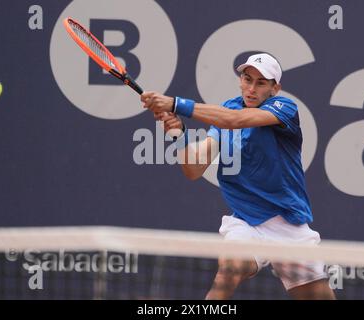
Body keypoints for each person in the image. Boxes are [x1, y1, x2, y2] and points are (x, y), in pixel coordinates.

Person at [141, 53, 335, 300]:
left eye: (261, 83)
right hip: (246, 223)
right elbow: (194, 169)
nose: (251, 88)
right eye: (247, 79)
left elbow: (235, 121)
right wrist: (179, 136)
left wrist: (175, 104)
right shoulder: (228, 109)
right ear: (240, 80)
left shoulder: (284, 108)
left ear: (275, 88)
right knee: (228, 269)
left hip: (290, 227)